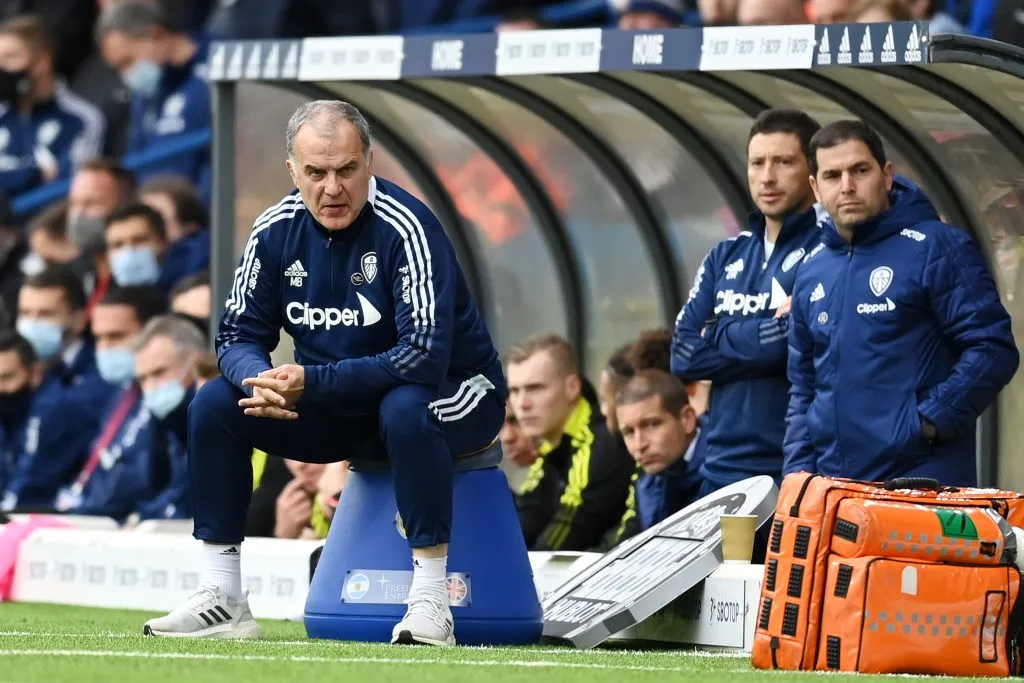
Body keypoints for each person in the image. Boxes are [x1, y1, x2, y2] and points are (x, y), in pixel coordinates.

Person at [142, 100, 506, 647]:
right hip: (342, 405)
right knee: (216, 404)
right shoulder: (275, 231)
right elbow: (237, 337)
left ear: (369, 163)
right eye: (315, 173)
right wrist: (258, 381)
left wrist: (311, 383)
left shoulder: (408, 228)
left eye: (346, 170)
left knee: (404, 404)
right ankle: (224, 596)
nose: (332, 188)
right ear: (293, 171)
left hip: (456, 395)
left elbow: (422, 357)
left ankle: (431, 600)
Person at [785, 120, 1019, 486]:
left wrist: (927, 423)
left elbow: (993, 348)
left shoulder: (936, 246)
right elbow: (803, 388)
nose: (847, 186)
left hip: (920, 481)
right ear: (815, 188)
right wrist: (797, 477)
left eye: (859, 170)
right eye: (832, 176)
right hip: (835, 490)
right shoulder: (811, 269)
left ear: (887, 175)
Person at [671, 108, 824, 496]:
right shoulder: (726, 254)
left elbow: (805, 340)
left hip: (792, 469)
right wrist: (769, 338)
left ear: (812, 172)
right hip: (718, 468)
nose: (767, 177)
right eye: (757, 163)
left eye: (783, 162)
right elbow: (683, 355)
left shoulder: (828, 250)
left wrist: (720, 334)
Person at [506, 333, 634, 552]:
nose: (522, 404)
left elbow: (561, 541)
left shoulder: (598, 444)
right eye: (515, 391)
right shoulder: (552, 447)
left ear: (572, 387)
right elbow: (527, 517)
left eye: (535, 388)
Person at [96, 0, 211, 202]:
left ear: (157, 35)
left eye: (128, 61)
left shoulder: (219, 72)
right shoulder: (145, 97)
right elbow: (137, 160)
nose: (126, 76)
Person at [0, 15, 104, 195]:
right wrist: (37, 174)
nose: (2, 68)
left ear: (42, 62)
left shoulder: (80, 118)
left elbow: (69, 183)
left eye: (10, 58)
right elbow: (48, 176)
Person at [615, 370, 705, 532]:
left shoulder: (725, 469)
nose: (639, 445)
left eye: (651, 424)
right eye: (628, 432)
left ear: (687, 419)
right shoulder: (646, 475)